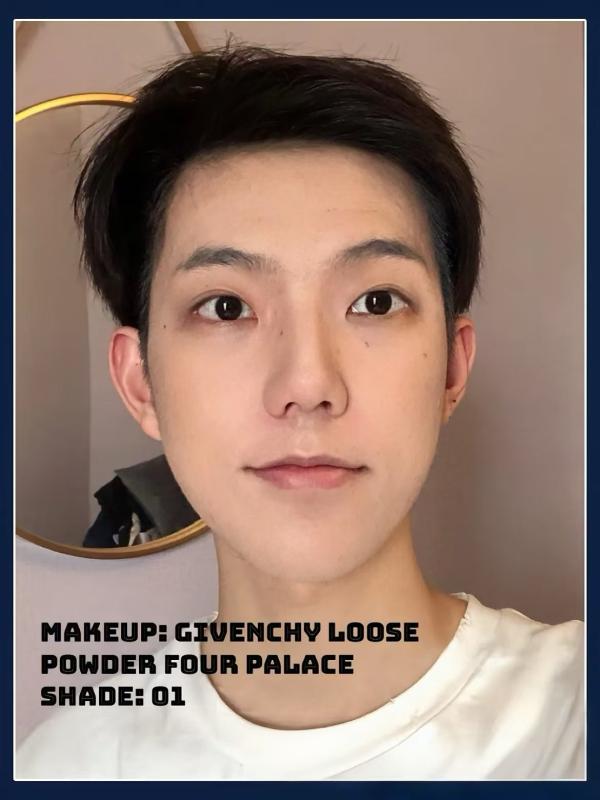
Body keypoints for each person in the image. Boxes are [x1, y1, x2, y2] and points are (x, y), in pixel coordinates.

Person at [16, 42, 583, 780]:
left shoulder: (570, 723)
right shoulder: (67, 767)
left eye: (374, 301)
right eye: (226, 307)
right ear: (140, 383)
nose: (309, 384)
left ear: (452, 366)